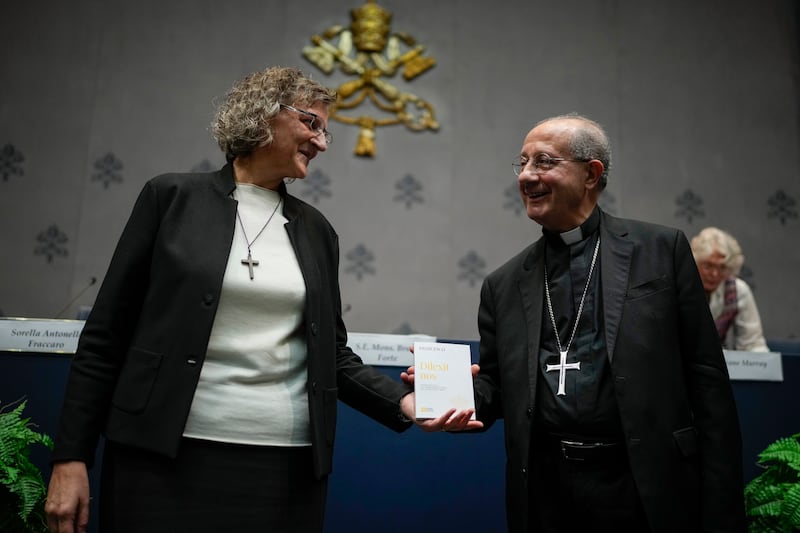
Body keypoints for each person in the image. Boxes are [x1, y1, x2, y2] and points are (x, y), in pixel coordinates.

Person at [45, 66, 416, 533]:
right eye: (312, 124)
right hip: (159, 459)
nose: (322, 143)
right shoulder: (170, 198)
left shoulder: (318, 231)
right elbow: (105, 337)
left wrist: (406, 402)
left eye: (327, 133)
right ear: (265, 115)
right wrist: (70, 457)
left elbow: (334, 357)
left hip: (284, 469)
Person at [405, 114, 746, 532]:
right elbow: (496, 384)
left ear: (591, 174)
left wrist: (724, 508)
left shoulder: (660, 251)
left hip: (644, 484)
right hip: (547, 492)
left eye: (543, 162)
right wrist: (447, 396)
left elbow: (707, 378)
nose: (527, 176)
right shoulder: (503, 284)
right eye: (523, 162)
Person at [690, 226, 769, 352]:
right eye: (708, 266)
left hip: (718, 364)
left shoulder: (738, 290)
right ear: (694, 263)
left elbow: (753, 344)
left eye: (722, 267)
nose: (715, 274)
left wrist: (764, 368)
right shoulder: (680, 286)